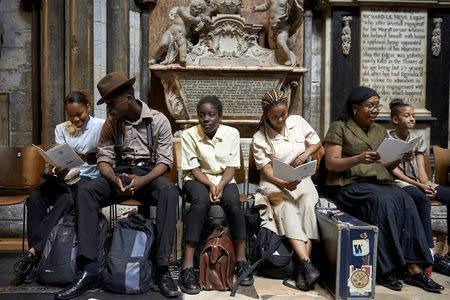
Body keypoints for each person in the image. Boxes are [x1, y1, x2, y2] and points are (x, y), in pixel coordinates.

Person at [55, 72, 180, 299]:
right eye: (106, 103)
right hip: (120, 174)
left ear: (129, 98)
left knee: (169, 192)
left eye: (111, 102)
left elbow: (164, 162)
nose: (108, 108)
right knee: (85, 191)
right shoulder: (112, 124)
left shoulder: (158, 120)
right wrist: (114, 179)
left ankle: (162, 268)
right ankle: (89, 268)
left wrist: (143, 180)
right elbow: (104, 159)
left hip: (148, 174)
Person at [321, 86, 444, 293]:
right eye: (369, 106)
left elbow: (386, 164)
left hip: (376, 182)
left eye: (377, 106)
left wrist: (400, 157)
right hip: (348, 186)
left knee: (406, 198)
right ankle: (385, 270)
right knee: (382, 201)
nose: (374, 110)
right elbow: (331, 164)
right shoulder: (339, 127)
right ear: (355, 107)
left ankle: (414, 268)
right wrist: (358, 158)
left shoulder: (378, 131)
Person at [13, 91, 104, 283]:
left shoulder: (101, 126)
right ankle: (37, 257)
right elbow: (60, 158)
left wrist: (84, 160)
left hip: (87, 179)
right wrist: (57, 168)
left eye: (79, 114)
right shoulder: (61, 128)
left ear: (88, 106)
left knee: (66, 200)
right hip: (64, 178)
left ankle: (34, 255)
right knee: (35, 199)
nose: (75, 119)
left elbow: (104, 157)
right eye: (71, 115)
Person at [179, 96, 253, 294]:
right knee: (200, 204)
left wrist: (220, 184)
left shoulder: (232, 133)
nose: (206, 119)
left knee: (233, 204)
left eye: (211, 115)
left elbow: (231, 166)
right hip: (197, 179)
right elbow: (193, 169)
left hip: (224, 178)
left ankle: (241, 260)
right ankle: (186, 267)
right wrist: (210, 185)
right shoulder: (188, 135)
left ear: (220, 117)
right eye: (202, 115)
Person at [251, 89, 321, 290]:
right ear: (266, 115)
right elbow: (267, 170)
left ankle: (302, 268)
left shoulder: (297, 121)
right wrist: (283, 184)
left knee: (307, 205)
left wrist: (305, 153)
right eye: (275, 116)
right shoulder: (259, 138)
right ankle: (306, 264)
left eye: (283, 114)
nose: (280, 119)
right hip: (274, 182)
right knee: (288, 208)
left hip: (299, 177)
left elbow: (316, 143)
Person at [389, 99, 450, 276]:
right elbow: (394, 172)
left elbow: (421, 170)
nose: (412, 119)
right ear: (395, 119)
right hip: (401, 183)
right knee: (422, 200)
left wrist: (426, 184)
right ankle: (429, 252)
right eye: (406, 116)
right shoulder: (388, 140)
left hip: (419, 181)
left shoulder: (418, 140)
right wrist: (419, 187)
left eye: (413, 116)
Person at [149, 0, 209, 65]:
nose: (196, 10)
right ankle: (154, 58)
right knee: (163, 44)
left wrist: (205, 19)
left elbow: (199, 27)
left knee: (182, 44)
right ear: (192, 3)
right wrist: (199, 19)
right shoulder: (181, 9)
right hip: (171, 32)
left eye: (199, 9)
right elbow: (188, 18)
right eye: (195, 7)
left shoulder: (195, 16)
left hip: (181, 35)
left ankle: (183, 59)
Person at [253, 0, 304, 65]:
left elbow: (294, 6)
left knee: (281, 42)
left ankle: (289, 59)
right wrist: (257, 8)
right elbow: (265, 6)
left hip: (283, 26)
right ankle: (274, 61)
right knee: (272, 45)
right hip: (272, 26)